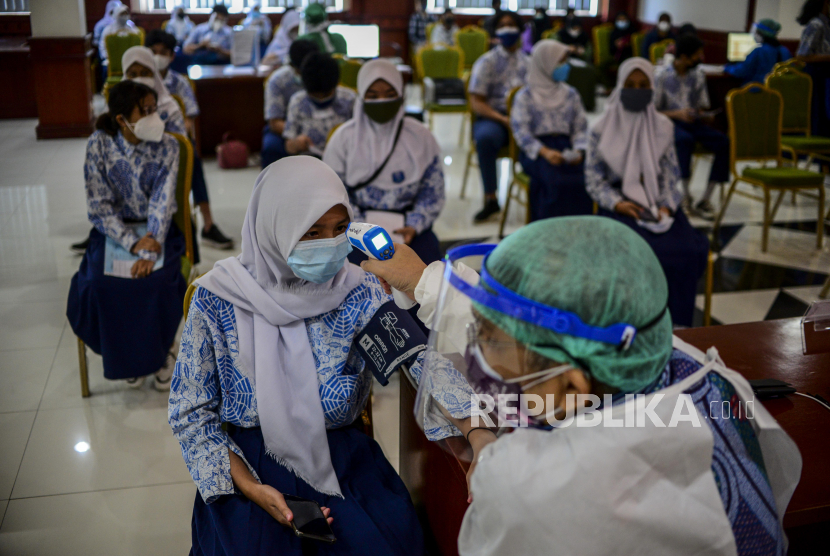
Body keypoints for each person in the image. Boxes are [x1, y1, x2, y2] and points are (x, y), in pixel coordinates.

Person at [358, 216, 801, 556]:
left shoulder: (541, 489)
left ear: (571, 385)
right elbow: (552, 312)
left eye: (493, 344)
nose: (481, 356)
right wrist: (425, 283)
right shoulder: (681, 363)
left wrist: (494, 456)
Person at [169, 156, 432, 555]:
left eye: (340, 230)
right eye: (311, 232)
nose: (329, 245)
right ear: (275, 227)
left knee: (381, 542)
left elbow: (420, 360)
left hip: (342, 459)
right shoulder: (217, 299)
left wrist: (477, 433)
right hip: (248, 461)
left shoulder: (358, 290)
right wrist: (255, 490)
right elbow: (192, 416)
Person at [67, 80, 186, 391]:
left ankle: (160, 355)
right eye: (144, 111)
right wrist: (131, 242)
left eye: (154, 109)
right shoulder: (99, 145)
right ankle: (125, 357)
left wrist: (148, 249)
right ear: (122, 119)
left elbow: (162, 201)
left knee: (158, 281)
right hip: (114, 231)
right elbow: (99, 206)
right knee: (99, 284)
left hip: (156, 230)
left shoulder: (168, 146)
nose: (153, 117)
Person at [586, 57, 709, 327]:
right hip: (619, 203)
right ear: (619, 86)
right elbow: (594, 180)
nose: (637, 91)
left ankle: (677, 327)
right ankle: (635, 323)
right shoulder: (600, 129)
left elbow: (670, 176)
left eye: (644, 85)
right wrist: (618, 203)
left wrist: (666, 207)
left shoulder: (663, 127)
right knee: (636, 252)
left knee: (685, 250)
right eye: (630, 85)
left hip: (657, 201)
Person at [324, 59, 445, 265]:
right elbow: (332, 194)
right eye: (372, 96)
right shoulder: (343, 139)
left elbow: (432, 192)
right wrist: (361, 229)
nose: (381, 101)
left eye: (390, 95)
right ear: (361, 98)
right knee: (354, 279)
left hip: (410, 229)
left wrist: (414, 224)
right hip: (355, 231)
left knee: (430, 278)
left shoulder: (421, 137)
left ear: (401, 95)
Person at [123, 45, 234, 250]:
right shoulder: (118, 107)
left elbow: (181, 134)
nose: (139, 79)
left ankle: (207, 223)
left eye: (145, 73)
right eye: (133, 74)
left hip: (163, 165)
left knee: (190, 151)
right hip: (127, 167)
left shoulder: (169, 102)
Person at [510, 40, 591, 220]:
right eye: (559, 62)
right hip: (537, 151)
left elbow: (581, 127)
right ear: (545, 63)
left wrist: (578, 150)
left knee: (584, 179)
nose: (564, 66)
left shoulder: (571, 94)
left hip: (566, 146)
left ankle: (579, 232)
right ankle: (547, 234)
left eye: (565, 61)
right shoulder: (525, 96)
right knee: (553, 182)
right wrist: (545, 152)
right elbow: (521, 133)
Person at [654, 33, 729, 219]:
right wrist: (677, 114)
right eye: (697, 55)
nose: (700, 59)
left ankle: (705, 198)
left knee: (723, 142)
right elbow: (652, 111)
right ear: (684, 57)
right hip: (669, 122)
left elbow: (701, 105)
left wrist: (704, 115)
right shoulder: (662, 76)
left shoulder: (697, 75)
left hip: (692, 121)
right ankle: (685, 196)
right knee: (684, 141)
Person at [468, 10, 529, 223]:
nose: (508, 29)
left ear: (520, 29)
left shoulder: (529, 62)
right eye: (503, 25)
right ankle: (491, 198)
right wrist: (503, 119)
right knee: (485, 139)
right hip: (495, 118)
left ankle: (538, 194)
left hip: (524, 119)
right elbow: (477, 101)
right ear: (496, 31)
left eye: (512, 24)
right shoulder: (487, 62)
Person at [283, 52, 356, 157]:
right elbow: (288, 145)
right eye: (315, 96)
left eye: (326, 94)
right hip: (310, 161)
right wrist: (296, 144)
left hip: (345, 158)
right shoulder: (298, 101)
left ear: (336, 84)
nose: (321, 99)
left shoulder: (350, 99)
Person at [262, 39, 319, 168]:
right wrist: (296, 136)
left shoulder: (323, 75)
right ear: (293, 65)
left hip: (320, 124)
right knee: (271, 148)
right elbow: (274, 122)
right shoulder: (277, 80)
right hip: (285, 129)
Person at [797, 0, 830, 136]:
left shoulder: (826, 23)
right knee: (818, 113)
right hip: (817, 74)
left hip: (825, 72)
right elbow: (802, 55)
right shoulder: (816, 25)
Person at [725, 19, 792, 85]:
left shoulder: (758, 51)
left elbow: (740, 71)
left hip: (757, 91)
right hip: (777, 93)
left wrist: (727, 68)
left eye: (756, 32)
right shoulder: (785, 51)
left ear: (761, 34)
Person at [99, 4, 140, 69]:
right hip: (112, 60)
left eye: (126, 14)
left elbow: (138, 44)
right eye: (122, 14)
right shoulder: (108, 30)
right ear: (116, 15)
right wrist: (107, 56)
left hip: (130, 59)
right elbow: (102, 45)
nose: (124, 16)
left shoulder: (132, 30)